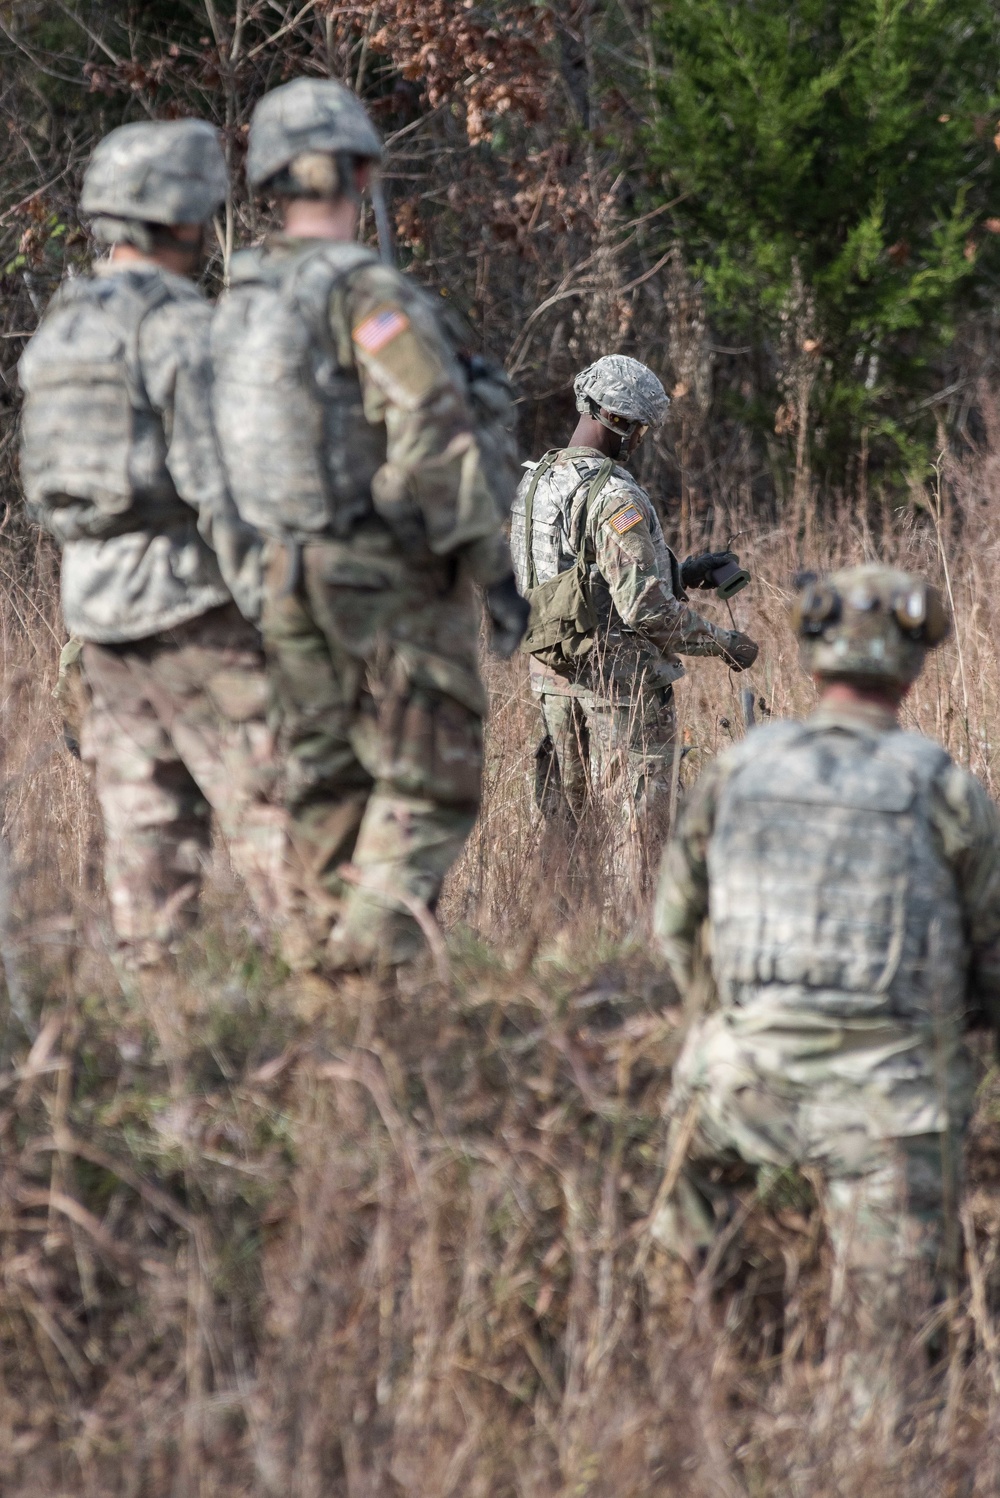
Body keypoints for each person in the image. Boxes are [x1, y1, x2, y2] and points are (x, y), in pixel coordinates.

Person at [211, 78, 526, 973]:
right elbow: (430, 419)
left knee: (324, 784)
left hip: (277, 573)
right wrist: (489, 567)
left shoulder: (239, 299)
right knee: (434, 774)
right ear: (357, 172)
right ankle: (362, 956)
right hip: (379, 571)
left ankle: (321, 988)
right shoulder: (364, 292)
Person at [652, 565, 1000, 1356]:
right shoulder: (945, 788)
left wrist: (725, 1031)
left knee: (694, 1329)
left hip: (738, 1091)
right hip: (889, 1111)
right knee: (885, 1366)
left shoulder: (739, 769)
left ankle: (704, 1394)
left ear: (813, 661)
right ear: (911, 667)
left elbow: (674, 925)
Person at [19, 120, 286, 970]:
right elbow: (221, 485)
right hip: (194, 613)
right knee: (289, 832)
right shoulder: (177, 323)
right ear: (187, 214)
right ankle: (346, 1033)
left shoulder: (61, 329)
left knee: (148, 854)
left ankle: (159, 1043)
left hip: (99, 621)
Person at [509, 355, 758, 833]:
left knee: (568, 831)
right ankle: (633, 914)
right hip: (618, 689)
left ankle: (561, 911)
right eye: (639, 428)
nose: (640, 439)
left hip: (553, 680)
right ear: (620, 422)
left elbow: (576, 580)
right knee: (639, 834)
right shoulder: (615, 497)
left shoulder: (537, 480)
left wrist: (680, 574)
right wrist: (725, 643)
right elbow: (648, 613)